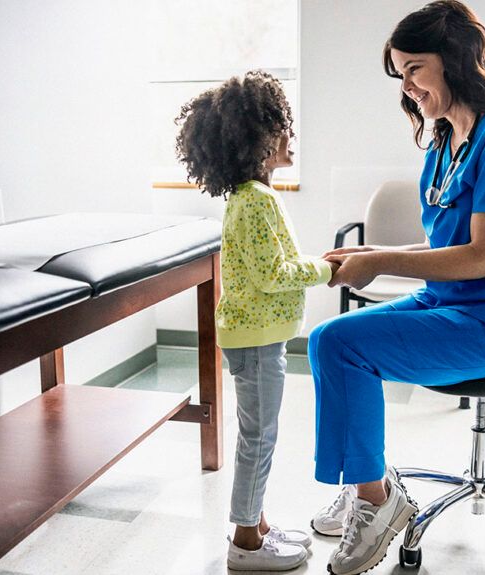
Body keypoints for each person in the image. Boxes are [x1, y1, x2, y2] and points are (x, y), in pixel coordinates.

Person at [306, 2, 485, 574]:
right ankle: (364, 479)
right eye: (401, 73)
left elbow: (484, 255)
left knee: (339, 345)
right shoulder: (446, 138)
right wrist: (374, 254)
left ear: (455, 59)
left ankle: (376, 498)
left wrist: (384, 262)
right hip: (451, 305)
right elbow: (449, 243)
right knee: (331, 338)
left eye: (415, 68)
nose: (408, 85)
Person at [175, 70, 337, 572]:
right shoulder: (256, 201)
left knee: (257, 431)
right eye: (279, 126)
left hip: (256, 336)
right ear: (257, 140)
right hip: (257, 340)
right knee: (259, 436)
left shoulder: (252, 197)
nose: (290, 135)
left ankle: (258, 524)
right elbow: (274, 274)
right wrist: (327, 268)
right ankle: (246, 540)